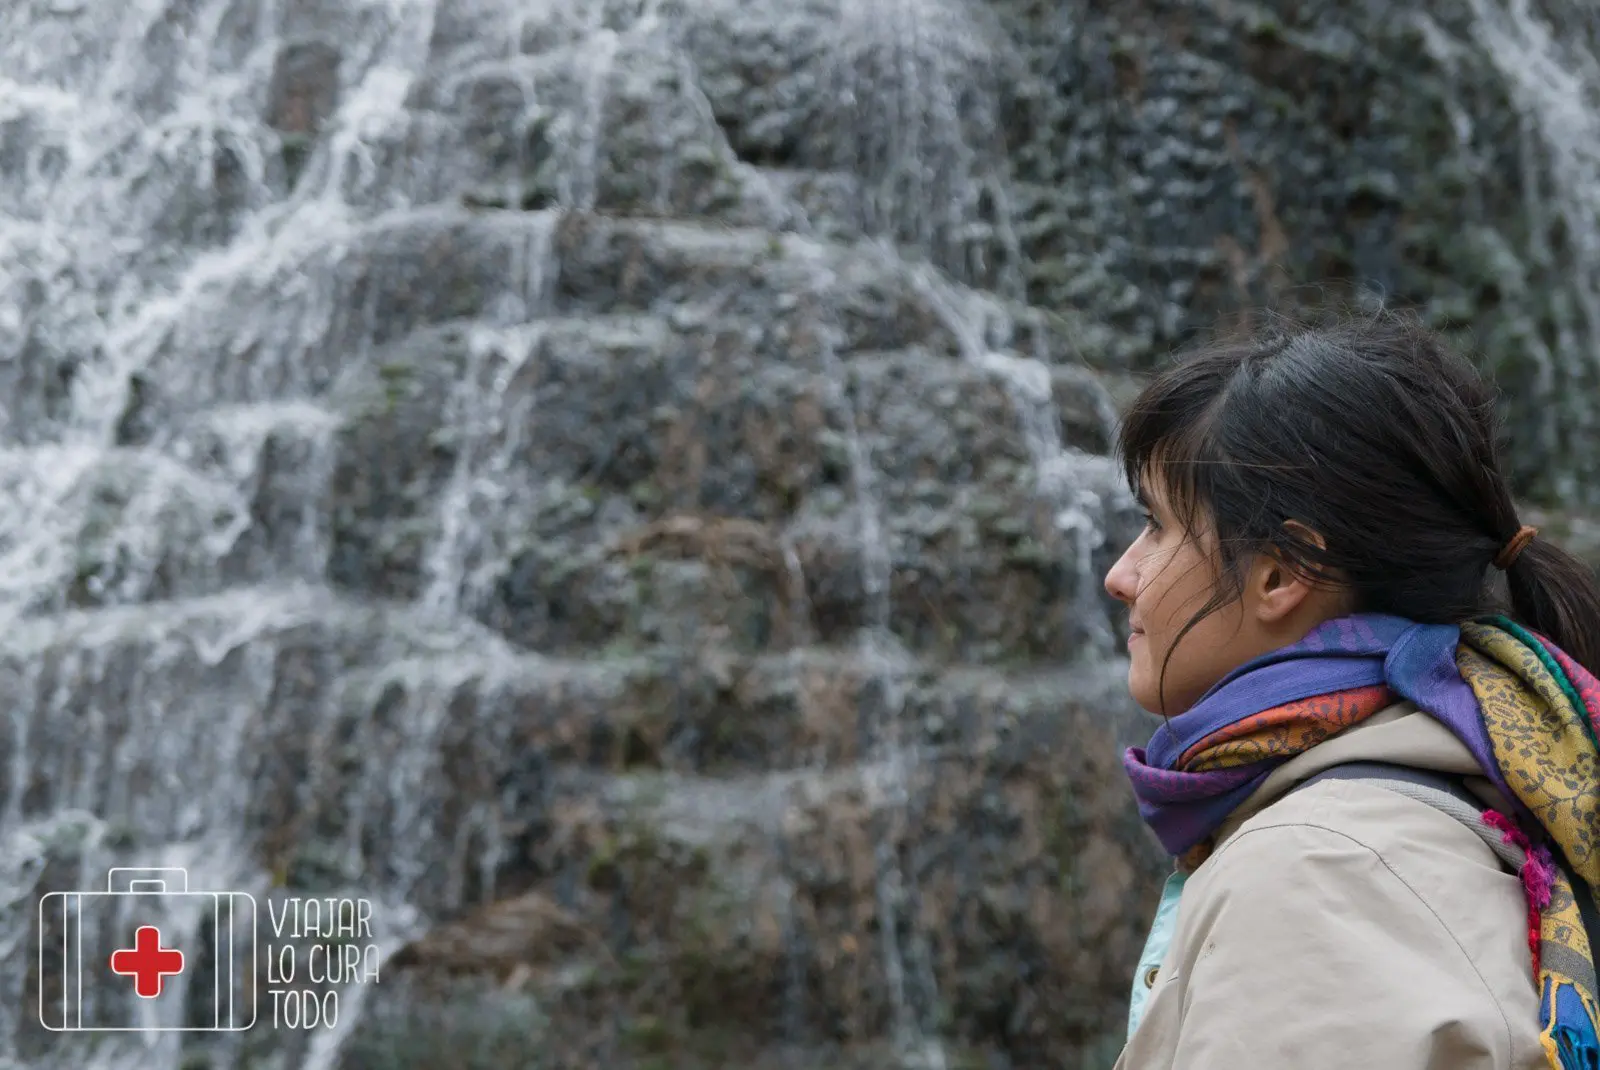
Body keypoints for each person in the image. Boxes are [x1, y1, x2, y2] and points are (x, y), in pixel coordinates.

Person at [1102, 313, 1600, 1070]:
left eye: (1156, 526)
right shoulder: (1471, 798)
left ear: (1283, 572)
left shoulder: (1318, 869)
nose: (1121, 575)